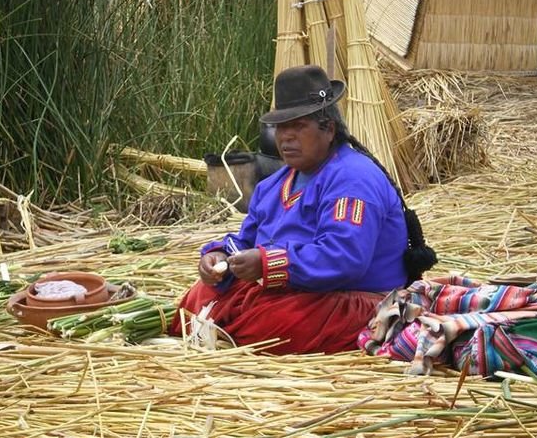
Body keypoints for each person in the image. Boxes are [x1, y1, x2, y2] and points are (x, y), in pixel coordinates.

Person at [169, 65, 436, 354]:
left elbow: (344, 259)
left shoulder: (353, 179)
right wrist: (218, 256)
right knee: (199, 296)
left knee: (275, 322)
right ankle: (228, 331)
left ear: (328, 129)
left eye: (299, 126)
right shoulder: (273, 186)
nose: (286, 138)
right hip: (293, 292)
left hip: (352, 299)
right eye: (281, 128)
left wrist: (268, 263)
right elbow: (246, 239)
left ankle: (230, 333)